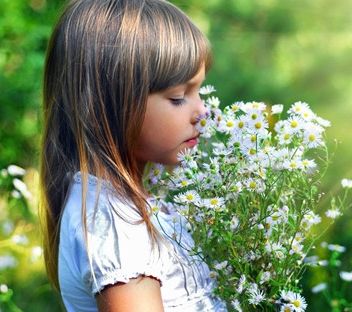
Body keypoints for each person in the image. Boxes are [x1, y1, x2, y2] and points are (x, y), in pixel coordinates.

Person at [39, 0, 227, 310]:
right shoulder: (115, 223)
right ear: (112, 105)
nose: (202, 112)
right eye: (179, 97)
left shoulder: (124, 207)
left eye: (199, 91)